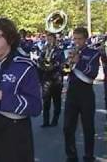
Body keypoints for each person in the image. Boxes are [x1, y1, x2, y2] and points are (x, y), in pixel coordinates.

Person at [0, 17, 42, 162]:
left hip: (16, 135)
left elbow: (36, 107)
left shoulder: (25, 66)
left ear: (10, 39)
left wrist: (1, 95)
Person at [63, 27, 100, 162]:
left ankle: (89, 156)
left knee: (88, 127)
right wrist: (67, 63)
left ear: (86, 39)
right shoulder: (70, 52)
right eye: (75, 39)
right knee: (68, 127)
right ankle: (71, 156)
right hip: (72, 92)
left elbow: (92, 73)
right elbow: (65, 71)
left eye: (79, 39)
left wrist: (79, 61)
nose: (76, 42)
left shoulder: (93, 53)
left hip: (86, 93)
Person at [38, 33, 65, 127]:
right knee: (46, 101)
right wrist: (41, 60)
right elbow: (40, 61)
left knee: (57, 101)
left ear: (55, 40)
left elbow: (62, 63)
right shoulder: (44, 50)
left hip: (56, 78)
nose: (48, 41)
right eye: (47, 39)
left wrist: (52, 66)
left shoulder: (59, 51)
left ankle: (55, 120)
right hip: (46, 78)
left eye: (50, 39)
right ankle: (45, 121)